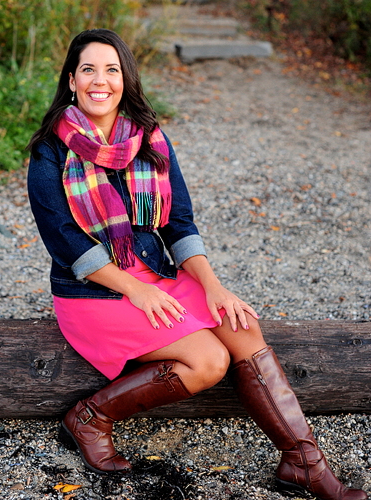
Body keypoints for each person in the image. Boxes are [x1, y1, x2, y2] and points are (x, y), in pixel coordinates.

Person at [26, 29, 366, 500]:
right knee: (209, 360)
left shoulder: (148, 140)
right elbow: (64, 242)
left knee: (241, 326)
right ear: (71, 79)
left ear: (125, 80)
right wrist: (135, 289)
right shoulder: (49, 151)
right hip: (95, 291)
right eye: (88, 69)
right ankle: (90, 417)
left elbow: (179, 222)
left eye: (112, 69)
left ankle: (302, 463)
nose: (99, 81)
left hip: (158, 275)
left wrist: (213, 286)